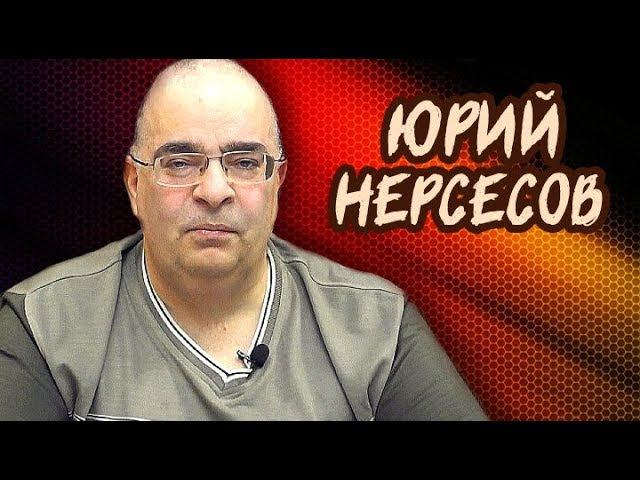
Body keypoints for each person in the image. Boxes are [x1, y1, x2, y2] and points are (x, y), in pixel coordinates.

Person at [0, 59, 487, 421]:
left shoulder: (377, 327)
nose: (214, 191)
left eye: (246, 162)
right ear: (134, 184)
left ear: (277, 183)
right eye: (180, 162)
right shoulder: (44, 325)